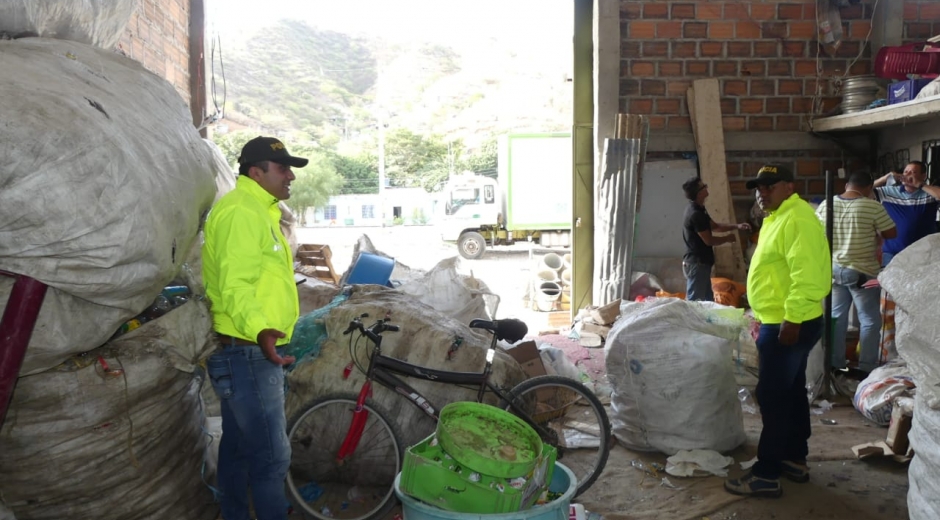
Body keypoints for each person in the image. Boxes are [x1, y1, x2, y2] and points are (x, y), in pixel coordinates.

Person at [202, 136, 306, 520]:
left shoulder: (259, 209)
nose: (290, 176)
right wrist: (262, 330)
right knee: (270, 458)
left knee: (239, 450)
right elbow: (235, 285)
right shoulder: (242, 212)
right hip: (250, 352)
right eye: (282, 168)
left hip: (249, 350)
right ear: (256, 172)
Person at [725, 164, 831, 498]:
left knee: (772, 396)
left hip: (789, 321)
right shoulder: (780, 216)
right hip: (782, 318)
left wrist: (792, 318)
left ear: (789, 186)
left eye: (770, 186)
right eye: (759, 187)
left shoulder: (797, 218)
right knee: (792, 390)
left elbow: (809, 274)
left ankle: (766, 474)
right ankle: (794, 459)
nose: (762, 192)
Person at [815, 172, 896, 377]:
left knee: (836, 317)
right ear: (869, 188)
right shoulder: (872, 206)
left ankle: (836, 365)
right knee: (869, 320)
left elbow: (817, 231)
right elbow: (891, 233)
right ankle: (865, 367)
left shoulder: (826, 204)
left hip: (833, 270)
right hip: (863, 273)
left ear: (847, 185)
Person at [681, 177, 750, 301]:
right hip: (697, 264)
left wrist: (736, 226)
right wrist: (727, 238)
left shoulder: (700, 209)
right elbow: (709, 240)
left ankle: (705, 320)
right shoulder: (695, 214)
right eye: (704, 186)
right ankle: (689, 321)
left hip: (702, 264)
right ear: (699, 193)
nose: (707, 188)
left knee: (708, 301)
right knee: (694, 302)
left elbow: (715, 227)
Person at [873, 160, 938, 266]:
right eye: (905, 171)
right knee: (888, 282)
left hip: (923, 254)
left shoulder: (929, 193)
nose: (907, 175)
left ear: (923, 176)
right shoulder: (889, 192)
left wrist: (921, 185)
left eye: (913, 172)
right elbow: (863, 191)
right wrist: (885, 178)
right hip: (892, 253)